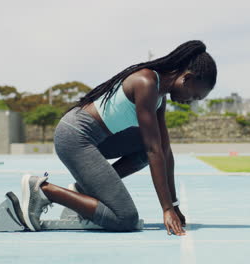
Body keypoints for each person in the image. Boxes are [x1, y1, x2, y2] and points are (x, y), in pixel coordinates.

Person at [20, 40, 217, 236]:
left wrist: (173, 205)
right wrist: (166, 209)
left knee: (149, 147)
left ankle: (82, 190)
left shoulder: (159, 96)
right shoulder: (146, 83)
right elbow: (153, 150)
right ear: (187, 79)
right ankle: (43, 190)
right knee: (124, 218)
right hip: (75, 137)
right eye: (195, 96)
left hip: (100, 140)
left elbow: (164, 150)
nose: (191, 102)